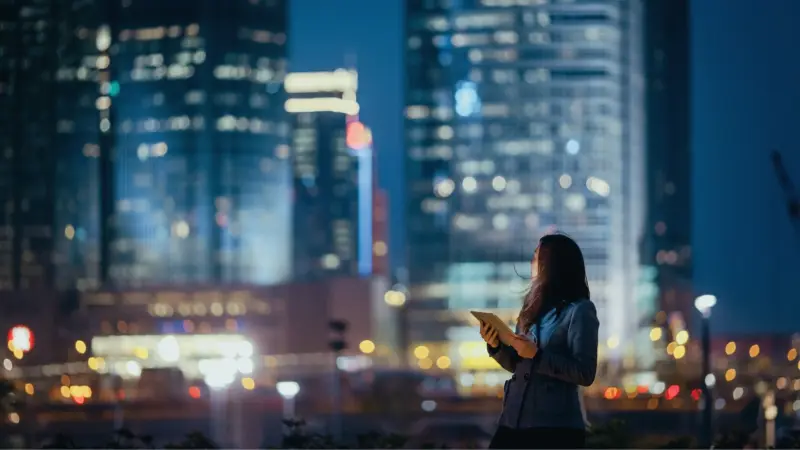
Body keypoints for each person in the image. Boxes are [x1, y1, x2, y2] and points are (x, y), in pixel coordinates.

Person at [479, 233, 599, 449]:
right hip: (513, 420)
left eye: (537, 256)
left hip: (554, 427)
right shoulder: (531, 310)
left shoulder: (579, 311)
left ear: (553, 264)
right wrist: (496, 346)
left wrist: (537, 354)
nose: (532, 263)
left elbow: (585, 372)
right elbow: (518, 365)